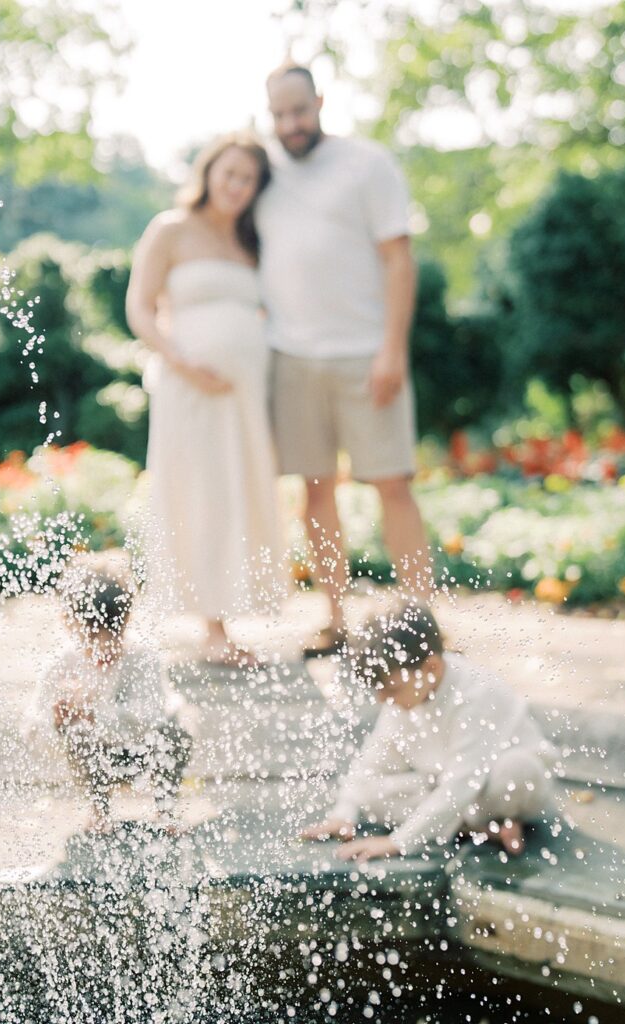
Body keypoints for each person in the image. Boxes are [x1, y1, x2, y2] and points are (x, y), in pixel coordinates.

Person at [256, 63, 433, 656]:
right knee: (314, 490)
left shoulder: (368, 163)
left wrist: (392, 349)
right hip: (292, 357)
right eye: (279, 114)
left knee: (394, 484)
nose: (291, 124)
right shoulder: (262, 172)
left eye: (299, 111)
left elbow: (399, 259)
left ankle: (421, 619)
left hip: (366, 355)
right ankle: (336, 619)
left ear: (320, 102)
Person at [126, 134, 282, 665]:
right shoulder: (170, 229)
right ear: (209, 171)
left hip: (244, 396)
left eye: (249, 179)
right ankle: (212, 630)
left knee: (239, 491)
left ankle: (229, 614)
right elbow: (140, 308)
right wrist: (182, 361)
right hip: (188, 387)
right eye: (230, 173)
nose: (237, 186)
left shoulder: (251, 241)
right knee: (203, 492)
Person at [301, 604, 558, 861]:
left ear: (431, 667)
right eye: (377, 689)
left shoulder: (475, 694)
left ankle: (491, 822)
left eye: (390, 689)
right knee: (371, 793)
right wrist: (343, 814)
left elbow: (463, 783)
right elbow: (371, 763)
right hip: (449, 789)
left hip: (501, 787)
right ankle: (476, 828)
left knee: (515, 771)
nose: (382, 699)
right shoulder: (405, 692)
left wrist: (397, 842)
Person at [26, 570, 192, 833]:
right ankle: (99, 809)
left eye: (114, 634)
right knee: (76, 734)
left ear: (127, 620)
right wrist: (58, 722)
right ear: (67, 623)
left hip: (143, 751)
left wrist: (95, 715)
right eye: (92, 636)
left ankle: (165, 808)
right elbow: (33, 730)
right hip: (94, 758)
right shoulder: (61, 665)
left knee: (177, 733)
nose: (105, 646)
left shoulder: (143, 656)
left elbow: (151, 715)